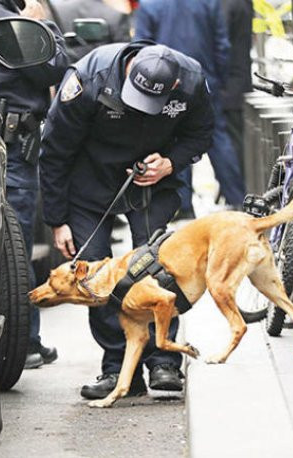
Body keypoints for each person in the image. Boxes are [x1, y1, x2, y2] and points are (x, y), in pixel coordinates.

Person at [40, 42, 214, 399]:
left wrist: (171, 162)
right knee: (95, 279)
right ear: (128, 69)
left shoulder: (192, 79)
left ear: (175, 87)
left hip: (153, 183)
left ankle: (163, 361)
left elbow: (201, 134)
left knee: (159, 271)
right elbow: (54, 150)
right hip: (90, 182)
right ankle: (118, 368)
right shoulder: (89, 78)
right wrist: (57, 219)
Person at [0, 0, 70, 368]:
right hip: (14, 146)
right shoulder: (17, 24)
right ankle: (26, 342)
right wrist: (41, 26)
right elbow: (55, 68)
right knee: (14, 244)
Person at [135, 0, 245, 214]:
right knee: (218, 139)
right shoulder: (208, 3)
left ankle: (183, 205)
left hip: (164, 82)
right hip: (205, 79)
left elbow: (141, 48)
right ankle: (237, 198)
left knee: (172, 139)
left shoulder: (149, 5)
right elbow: (221, 44)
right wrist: (219, 80)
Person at [220, 0, 253, 169]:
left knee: (233, 151)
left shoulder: (228, 5)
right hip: (236, 84)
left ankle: (238, 194)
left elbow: (221, 45)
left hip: (229, 87)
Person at [49, 0, 132, 60]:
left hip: (66, 76)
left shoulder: (56, 9)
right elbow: (125, 56)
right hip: (101, 77)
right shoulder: (115, 15)